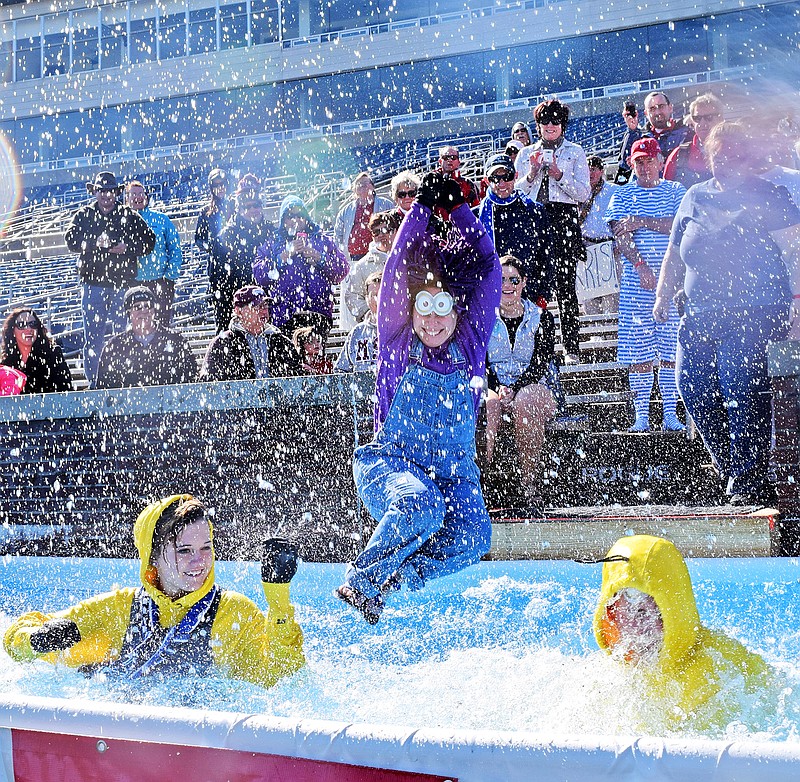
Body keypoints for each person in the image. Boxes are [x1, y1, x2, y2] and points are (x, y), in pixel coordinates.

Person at [335, 172, 501, 624]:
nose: (432, 320)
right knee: (419, 505)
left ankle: (399, 579)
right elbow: (394, 269)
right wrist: (422, 210)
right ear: (409, 310)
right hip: (391, 465)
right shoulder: (396, 340)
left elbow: (489, 268)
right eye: (422, 307)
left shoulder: (469, 346)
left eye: (442, 307)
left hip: (454, 473)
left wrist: (459, 211)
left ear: (457, 309)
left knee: (474, 536)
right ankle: (363, 582)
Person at [3, 494, 305, 688]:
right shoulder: (120, 608)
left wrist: (278, 599)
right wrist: (37, 639)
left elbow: (280, 679)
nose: (199, 561)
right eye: (184, 550)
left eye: (206, 547)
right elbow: (15, 643)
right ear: (152, 556)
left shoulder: (234, 612)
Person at [654, 121, 800, 505]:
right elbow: (673, 252)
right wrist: (662, 297)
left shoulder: (767, 193)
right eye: (718, 157)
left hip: (755, 310)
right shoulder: (694, 196)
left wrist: (798, 304)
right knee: (693, 388)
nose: (724, 164)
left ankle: (748, 479)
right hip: (699, 314)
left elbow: (795, 249)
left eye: (732, 156)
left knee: (739, 388)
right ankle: (733, 467)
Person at [593, 534, 771, 731]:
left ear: (677, 613)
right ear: (611, 613)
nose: (644, 629)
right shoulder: (605, 676)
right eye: (634, 612)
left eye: (657, 612)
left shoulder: (714, 670)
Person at [606, 137, 687, 432]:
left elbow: (678, 224)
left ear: (661, 160)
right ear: (631, 163)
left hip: (673, 282)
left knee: (670, 351)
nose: (645, 166)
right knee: (638, 353)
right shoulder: (622, 193)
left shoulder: (676, 190)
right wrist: (640, 265)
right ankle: (641, 416)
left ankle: (670, 414)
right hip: (635, 283)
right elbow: (619, 232)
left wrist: (642, 220)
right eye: (639, 161)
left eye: (650, 159)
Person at [515, 99, 591, 363]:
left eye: (555, 121)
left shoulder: (576, 151)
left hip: (564, 220)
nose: (550, 125)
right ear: (537, 125)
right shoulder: (526, 154)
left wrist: (559, 175)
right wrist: (533, 173)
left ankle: (572, 347)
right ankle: (535, 349)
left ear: (563, 125)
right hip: (534, 219)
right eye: (545, 121)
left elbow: (583, 193)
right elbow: (516, 193)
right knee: (533, 287)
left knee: (566, 287)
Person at [65, 171, 156, 389]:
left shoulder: (129, 215)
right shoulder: (84, 215)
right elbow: (70, 240)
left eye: (110, 191)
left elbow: (149, 241)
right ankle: (95, 382)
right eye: (101, 190)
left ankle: (122, 379)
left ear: (116, 192)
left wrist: (127, 249)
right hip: (93, 284)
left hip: (121, 286)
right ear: (95, 192)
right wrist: (94, 242)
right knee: (93, 337)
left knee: (122, 335)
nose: (106, 195)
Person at [485, 256, 557, 515]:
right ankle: (482, 481)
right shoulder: (484, 316)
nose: (508, 285)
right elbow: (479, 360)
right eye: (502, 279)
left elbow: (541, 362)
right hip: (494, 383)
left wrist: (516, 388)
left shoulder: (542, 318)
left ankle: (529, 484)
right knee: (488, 404)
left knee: (525, 401)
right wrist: (498, 386)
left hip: (535, 384)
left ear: (523, 283)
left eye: (514, 280)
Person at [253, 196, 348, 331]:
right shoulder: (273, 243)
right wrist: (283, 256)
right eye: (290, 216)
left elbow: (342, 269)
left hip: (318, 315)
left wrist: (320, 258)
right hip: (284, 317)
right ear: (282, 220)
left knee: (315, 352)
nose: (295, 220)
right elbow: (259, 275)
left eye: (299, 215)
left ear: (306, 217)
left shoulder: (322, 240)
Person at [478, 152, 552, 306]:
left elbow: (546, 255)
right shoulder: (477, 217)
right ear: (486, 180)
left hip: (529, 293)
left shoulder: (534, 210)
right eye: (495, 178)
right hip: (492, 295)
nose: (502, 183)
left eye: (507, 176)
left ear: (516, 176)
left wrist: (543, 293)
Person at [96, 286, 198, 389]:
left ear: (154, 310)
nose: (144, 311)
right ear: (129, 312)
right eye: (137, 307)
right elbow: (103, 389)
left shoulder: (176, 340)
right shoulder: (115, 346)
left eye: (148, 306)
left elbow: (192, 381)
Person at [209, 174, 273, 333]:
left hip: (265, 306)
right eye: (247, 206)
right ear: (239, 208)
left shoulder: (271, 232)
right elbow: (217, 281)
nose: (252, 210)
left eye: (256, 205)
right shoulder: (225, 236)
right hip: (237, 308)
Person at [201, 284, 303, 381]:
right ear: (238, 311)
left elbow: (296, 376)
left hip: (276, 398)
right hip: (238, 399)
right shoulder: (222, 342)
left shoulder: (280, 341)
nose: (264, 311)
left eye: (266, 306)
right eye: (257, 307)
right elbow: (208, 382)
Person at [125, 180, 184, 328]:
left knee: (162, 325)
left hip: (161, 282)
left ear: (146, 196)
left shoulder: (161, 219)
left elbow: (175, 248)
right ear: (127, 199)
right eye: (133, 194)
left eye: (140, 193)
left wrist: (169, 277)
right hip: (134, 283)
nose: (137, 197)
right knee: (138, 326)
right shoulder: (122, 221)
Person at [341, 210, 401, 330]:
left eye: (385, 230)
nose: (381, 235)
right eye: (376, 232)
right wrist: (368, 314)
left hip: (404, 323)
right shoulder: (362, 265)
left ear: (394, 231)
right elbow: (352, 296)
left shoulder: (406, 259)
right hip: (377, 328)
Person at [579, 156, 620, 316]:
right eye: (587, 169)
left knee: (611, 297)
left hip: (608, 247)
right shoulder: (578, 191)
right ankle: (594, 335)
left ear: (601, 171)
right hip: (586, 248)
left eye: (593, 169)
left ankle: (610, 334)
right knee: (589, 297)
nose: (590, 173)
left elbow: (619, 219)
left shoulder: (613, 191)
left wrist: (619, 244)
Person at [0, 307, 72, 394]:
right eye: (22, 325)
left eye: (33, 324)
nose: (29, 329)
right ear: (12, 331)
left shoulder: (53, 354)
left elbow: (65, 388)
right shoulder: (5, 361)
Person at [663, 93, 724, 188]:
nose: (703, 123)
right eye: (697, 118)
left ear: (721, 118)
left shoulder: (734, 150)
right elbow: (667, 193)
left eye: (709, 117)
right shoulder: (679, 154)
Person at [333, 172, 393, 265]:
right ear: (355, 190)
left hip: (379, 254)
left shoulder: (386, 204)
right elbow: (338, 236)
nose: (362, 186)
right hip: (353, 256)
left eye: (365, 183)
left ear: (373, 187)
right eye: (359, 184)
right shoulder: (345, 211)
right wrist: (340, 255)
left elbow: (395, 226)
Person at [335, 271, 381, 373]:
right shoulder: (357, 333)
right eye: (374, 295)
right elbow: (340, 370)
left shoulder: (401, 331)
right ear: (367, 299)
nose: (378, 299)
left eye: (382, 294)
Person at [194, 168, 232, 256]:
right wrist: (213, 247)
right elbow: (199, 239)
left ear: (227, 185)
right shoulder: (205, 211)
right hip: (216, 260)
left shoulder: (236, 206)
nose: (220, 188)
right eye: (215, 185)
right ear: (211, 188)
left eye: (222, 184)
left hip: (237, 258)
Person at [434, 145, 481, 209]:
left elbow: (475, 209)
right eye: (445, 157)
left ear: (459, 162)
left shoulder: (468, 184)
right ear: (440, 161)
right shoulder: (431, 182)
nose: (449, 160)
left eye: (453, 157)